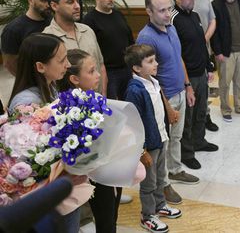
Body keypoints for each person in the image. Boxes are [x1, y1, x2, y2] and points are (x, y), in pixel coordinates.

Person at [8, 33, 87, 233]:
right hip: (43, 194)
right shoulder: (25, 103)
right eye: (61, 60)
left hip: (59, 187)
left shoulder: (51, 88)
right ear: (40, 66)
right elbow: (28, 161)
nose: (68, 65)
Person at [136, 0, 200, 205]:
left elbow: (178, 57)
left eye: (169, 9)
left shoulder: (171, 28)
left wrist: (188, 86)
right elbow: (149, 79)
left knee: (176, 137)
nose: (167, 14)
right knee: (162, 145)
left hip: (180, 92)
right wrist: (168, 107)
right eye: (161, 10)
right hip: (163, 99)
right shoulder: (146, 37)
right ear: (148, 11)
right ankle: (163, 185)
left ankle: (175, 170)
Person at [56, 49, 119, 233]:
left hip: (105, 168)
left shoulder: (97, 98)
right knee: (104, 216)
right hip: (88, 172)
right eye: (91, 71)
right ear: (74, 79)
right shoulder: (64, 107)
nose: (98, 75)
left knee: (109, 215)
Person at [124, 45, 182, 233]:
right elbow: (132, 123)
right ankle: (147, 215)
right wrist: (141, 151)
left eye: (155, 59)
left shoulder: (153, 82)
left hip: (160, 137)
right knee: (148, 182)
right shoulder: (134, 90)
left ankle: (160, 205)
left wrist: (170, 112)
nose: (156, 63)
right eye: (150, 61)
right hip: (148, 145)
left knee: (160, 176)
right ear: (136, 68)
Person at [170, 0, 218, 170]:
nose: (192, 0)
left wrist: (209, 67)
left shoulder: (195, 16)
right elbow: (177, 54)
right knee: (187, 118)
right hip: (186, 77)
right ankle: (187, 153)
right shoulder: (173, 19)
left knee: (200, 112)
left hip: (201, 73)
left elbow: (201, 44)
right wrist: (187, 83)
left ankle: (199, 141)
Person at [42, 0, 108, 94]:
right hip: (69, 106)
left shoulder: (87, 30)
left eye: (78, 1)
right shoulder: (47, 38)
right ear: (54, 6)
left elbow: (100, 65)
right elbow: (47, 80)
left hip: (96, 99)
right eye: (70, 2)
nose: (77, 6)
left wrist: (103, 96)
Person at [181, 0, 219, 132]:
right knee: (190, 87)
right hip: (187, 53)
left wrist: (204, 39)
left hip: (205, 49)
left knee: (205, 85)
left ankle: (205, 116)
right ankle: (191, 123)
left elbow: (213, 20)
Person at [82, 0, 134, 100]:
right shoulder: (89, 20)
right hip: (108, 72)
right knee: (113, 105)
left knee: (130, 104)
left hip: (127, 68)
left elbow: (130, 40)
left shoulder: (118, 14)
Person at [1, 0, 51, 76]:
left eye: (50, 0)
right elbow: (9, 63)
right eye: (43, 0)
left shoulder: (53, 21)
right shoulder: (13, 29)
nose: (48, 4)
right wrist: (29, 82)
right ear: (31, 0)